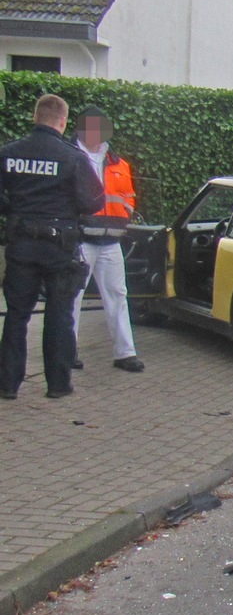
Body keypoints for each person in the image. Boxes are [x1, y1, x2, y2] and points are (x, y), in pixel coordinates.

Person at [0, 95, 104, 399]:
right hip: (60, 247)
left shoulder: (9, 153)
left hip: (21, 245)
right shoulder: (72, 157)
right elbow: (93, 201)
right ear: (63, 121)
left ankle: (7, 385)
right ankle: (58, 385)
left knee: (17, 314)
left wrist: (12, 208)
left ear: (35, 117)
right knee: (59, 314)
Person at [70, 106, 144, 373]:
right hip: (81, 239)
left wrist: (126, 213)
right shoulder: (71, 157)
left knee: (118, 295)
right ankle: (68, 351)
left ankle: (125, 353)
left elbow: (128, 197)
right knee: (72, 297)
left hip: (111, 240)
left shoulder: (119, 163)